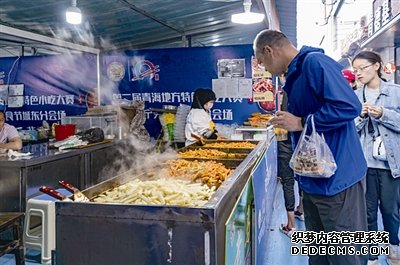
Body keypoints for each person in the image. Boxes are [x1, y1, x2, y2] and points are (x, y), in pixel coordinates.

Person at [254, 29, 368, 265]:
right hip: (313, 181)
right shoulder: (295, 75)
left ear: (269, 50)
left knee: (345, 256)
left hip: (338, 180)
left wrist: (301, 122)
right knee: (319, 256)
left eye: (263, 62)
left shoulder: (315, 63)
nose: (264, 68)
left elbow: (349, 107)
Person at [352, 51, 400, 265]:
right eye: (355, 70)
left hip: (390, 163)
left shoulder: (396, 92)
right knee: (367, 212)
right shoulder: (354, 96)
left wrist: (383, 114)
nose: (359, 73)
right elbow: (349, 129)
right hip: (364, 164)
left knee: (390, 211)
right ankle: (371, 255)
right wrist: (360, 117)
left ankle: (393, 248)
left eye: (363, 68)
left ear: (377, 66)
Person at [277, 90, 304, 238]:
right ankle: (301, 210)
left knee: (288, 182)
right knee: (303, 177)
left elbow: (285, 117)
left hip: (287, 142)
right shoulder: (307, 88)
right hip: (304, 142)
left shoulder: (289, 90)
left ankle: (291, 225)